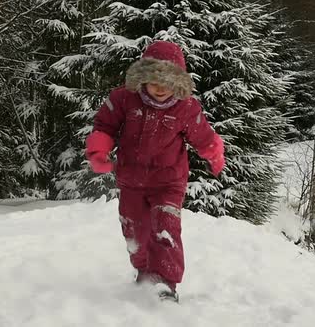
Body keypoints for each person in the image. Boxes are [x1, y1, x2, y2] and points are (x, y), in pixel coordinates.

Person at [85, 41, 225, 302]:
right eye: (154, 80)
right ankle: (143, 269)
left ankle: (165, 282)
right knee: (134, 232)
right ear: (142, 78)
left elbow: (203, 136)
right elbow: (104, 126)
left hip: (168, 182)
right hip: (132, 180)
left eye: (168, 81)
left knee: (166, 228)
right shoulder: (123, 99)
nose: (161, 87)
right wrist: (99, 151)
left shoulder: (186, 107)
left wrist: (214, 154)